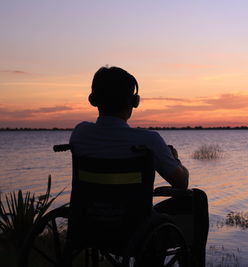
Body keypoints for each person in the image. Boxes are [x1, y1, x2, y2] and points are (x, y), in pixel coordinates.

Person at [69, 66, 209, 266]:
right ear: (132, 102)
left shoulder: (80, 133)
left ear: (94, 100)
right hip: (133, 232)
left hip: (88, 225)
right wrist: (175, 159)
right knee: (197, 199)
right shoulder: (148, 140)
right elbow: (181, 183)